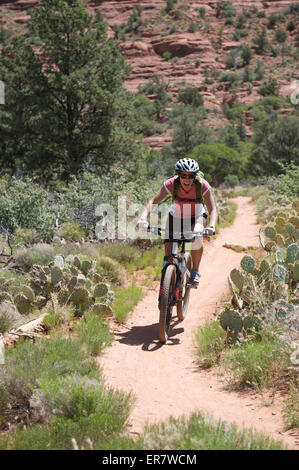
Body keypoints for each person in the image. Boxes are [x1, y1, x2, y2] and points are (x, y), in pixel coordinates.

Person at [138, 157, 217, 287]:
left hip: (196, 216)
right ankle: (168, 283)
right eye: (183, 175)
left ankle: (195, 271)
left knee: (196, 237)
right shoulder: (171, 184)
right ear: (178, 175)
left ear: (195, 176)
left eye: (191, 176)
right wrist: (143, 218)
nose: (187, 179)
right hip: (176, 216)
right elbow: (153, 201)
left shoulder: (202, 185)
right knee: (169, 252)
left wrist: (211, 226)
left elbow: (212, 209)